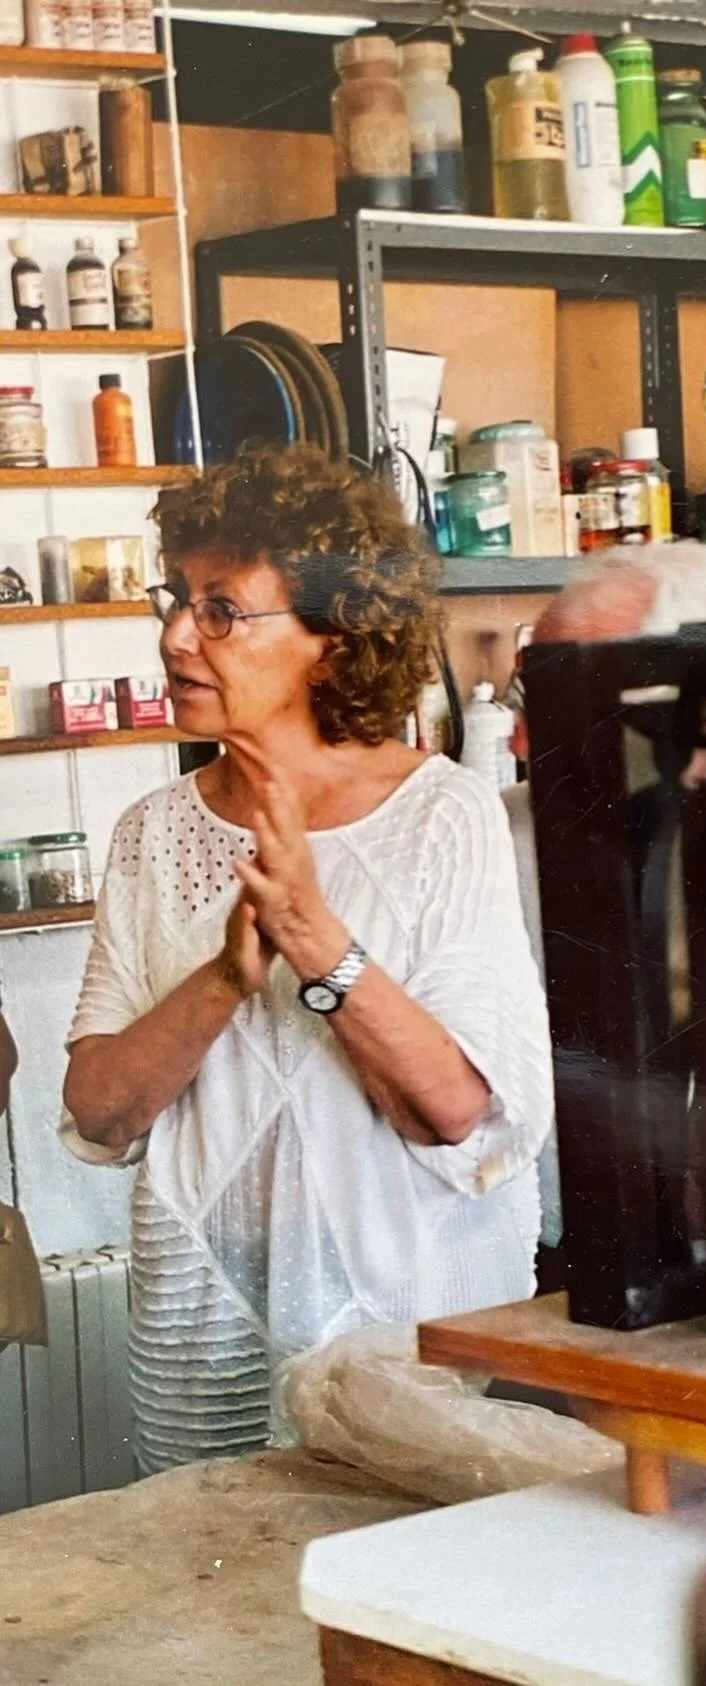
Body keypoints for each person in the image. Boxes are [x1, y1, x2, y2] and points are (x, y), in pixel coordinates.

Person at [61, 443, 552, 1475]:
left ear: (332, 639)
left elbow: (460, 1113)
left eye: (221, 610)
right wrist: (224, 979)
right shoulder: (153, 834)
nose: (174, 636)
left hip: (407, 1328)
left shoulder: (441, 816)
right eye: (176, 598)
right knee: (210, 1607)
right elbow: (99, 1116)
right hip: (206, 1328)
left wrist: (317, 943)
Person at [502, 543, 706, 1258]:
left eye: (580, 694)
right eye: (533, 694)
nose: (526, 737)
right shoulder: (493, 836)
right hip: (559, 1240)